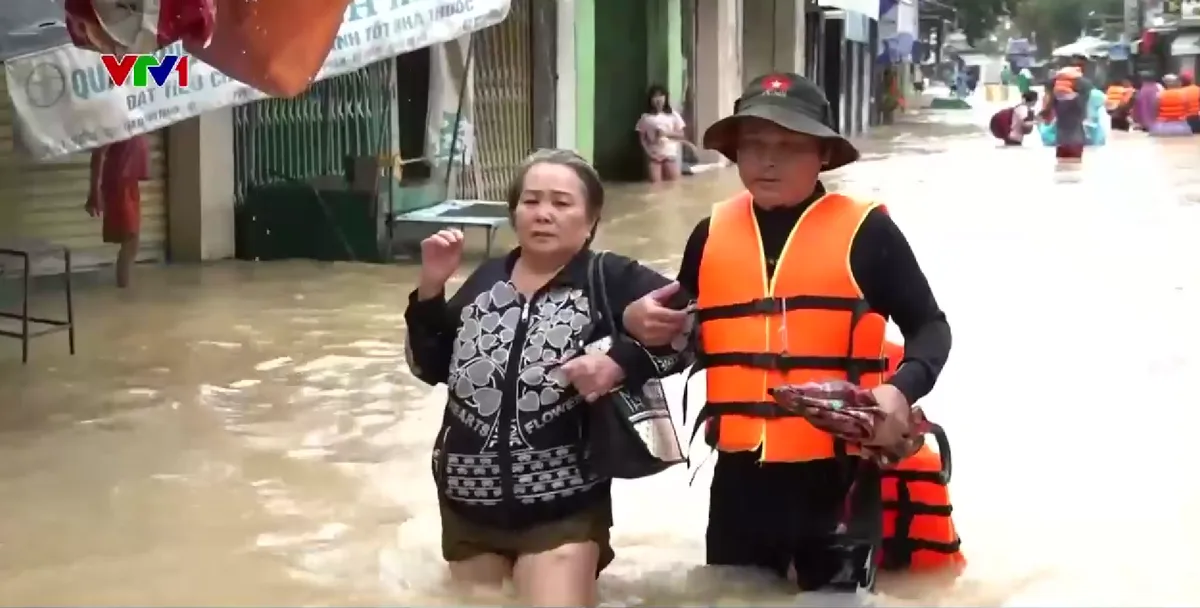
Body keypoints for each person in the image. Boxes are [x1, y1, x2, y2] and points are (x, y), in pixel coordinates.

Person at [620, 73, 958, 592]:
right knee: (732, 599)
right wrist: (634, 331)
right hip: (738, 483)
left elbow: (930, 328)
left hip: (839, 477)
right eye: (753, 145)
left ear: (823, 154)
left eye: (788, 145)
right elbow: (676, 334)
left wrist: (899, 388)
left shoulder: (868, 232)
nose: (767, 160)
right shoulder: (709, 234)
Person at [404, 148, 689, 606]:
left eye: (561, 203)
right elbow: (431, 367)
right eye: (531, 201)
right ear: (514, 212)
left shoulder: (611, 278)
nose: (543, 214)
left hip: (563, 512)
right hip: (466, 510)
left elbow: (694, 330)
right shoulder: (485, 280)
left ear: (591, 219)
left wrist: (619, 358)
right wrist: (431, 290)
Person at [86, 135, 149, 288]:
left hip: (129, 183)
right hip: (118, 184)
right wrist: (95, 192)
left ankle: (124, 288)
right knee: (130, 238)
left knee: (133, 240)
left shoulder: (135, 119)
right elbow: (98, 154)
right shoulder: (116, 123)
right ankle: (123, 288)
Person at [636, 84, 687, 183]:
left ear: (665, 98)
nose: (658, 99)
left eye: (661, 96)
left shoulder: (673, 115)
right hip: (654, 157)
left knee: (674, 185)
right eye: (655, 96)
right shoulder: (645, 118)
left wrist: (666, 133)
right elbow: (642, 138)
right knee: (655, 187)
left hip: (670, 155)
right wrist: (649, 153)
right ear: (650, 99)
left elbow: (681, 135)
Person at [1048, 67, 1089, 161]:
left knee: (1061, 169)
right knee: (1075, 170)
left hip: (1060, 142)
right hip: (1076, 142)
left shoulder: (1056, 100)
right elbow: (1083, 115)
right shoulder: (1078, 100)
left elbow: (1048, 117)